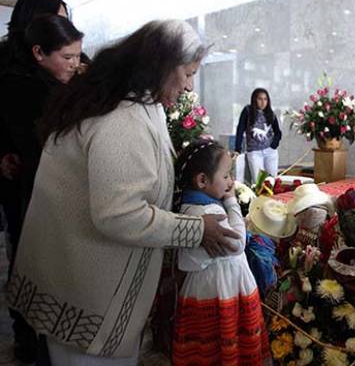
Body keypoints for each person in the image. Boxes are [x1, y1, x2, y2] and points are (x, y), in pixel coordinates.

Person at [7, 19, 241, 365]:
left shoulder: (142, 104)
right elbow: (119, 214)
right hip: (86, 292)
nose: (191, 87)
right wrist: (196, 230)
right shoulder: (120, 118)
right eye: (188, 74)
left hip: (85, 283)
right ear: (161, 66)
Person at [0, 13, 83, 364]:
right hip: (41, 199)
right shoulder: (24, 89)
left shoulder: (63, 81)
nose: (76, 64)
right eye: (68, 57)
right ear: (38, 52)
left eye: (78, 55)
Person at [172, 140, 271, 365]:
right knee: (228, 340)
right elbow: (237, 243)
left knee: (207, 348)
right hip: (223, 288)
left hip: (202, 288)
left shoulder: (188, 206)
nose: (231, 181)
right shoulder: (211, 211)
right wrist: (232, 202)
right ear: (202, 181)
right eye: (226, 175)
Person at [235, 88, 281, 184]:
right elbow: (240, 130)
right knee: (258, 182)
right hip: (255, 152)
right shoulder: (248, 111)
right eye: (260, 99)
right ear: (254, 99)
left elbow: (278, 132)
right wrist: (237, 149)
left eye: (265, 99)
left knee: (272, 181)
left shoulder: (271, 114)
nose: (263, 102)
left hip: (270, 152)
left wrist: (274, 145)